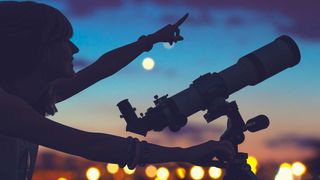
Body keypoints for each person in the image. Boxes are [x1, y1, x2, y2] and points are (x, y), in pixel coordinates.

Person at [0, 1, 235, 179]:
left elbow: (102, 68)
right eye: (64, 40)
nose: (75, 48)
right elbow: (91, 146)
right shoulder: (6, 108)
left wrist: (150, 41)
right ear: (39, 48)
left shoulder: (33, 97)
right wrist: (185, 155)